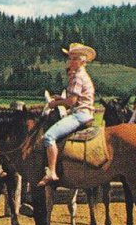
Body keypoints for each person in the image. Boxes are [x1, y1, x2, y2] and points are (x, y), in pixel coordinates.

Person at [38, 43, 96, 187]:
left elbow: (71, 102)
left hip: (80, 115)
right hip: (85, 113)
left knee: (49, 136)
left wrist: (54, 104)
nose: (70, 61)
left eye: (74, 59)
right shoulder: (81, 75)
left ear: (83, 61)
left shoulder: (77, 76)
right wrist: (60, 98)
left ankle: (52, 171)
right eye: (70, 58)